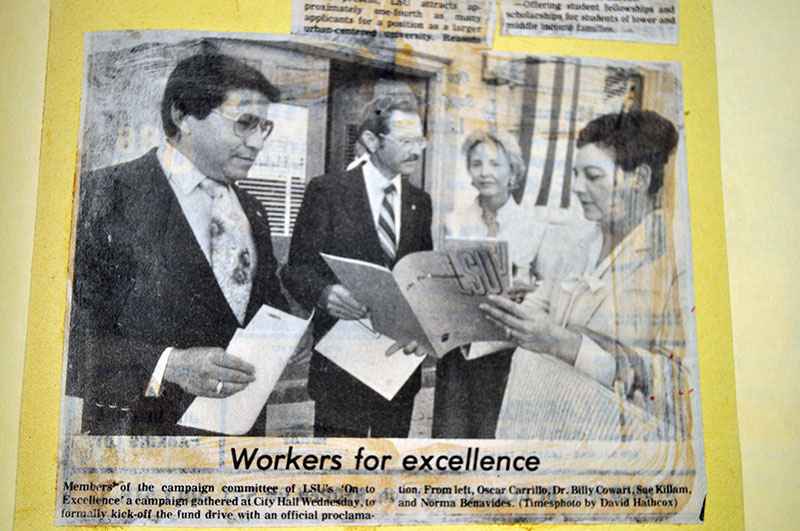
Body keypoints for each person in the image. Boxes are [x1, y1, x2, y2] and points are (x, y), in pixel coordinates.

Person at [68, 54, 288, 435]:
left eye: (264, 127)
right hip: (141, 439)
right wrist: (170, 365)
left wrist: (284, 335)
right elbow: (61, 343)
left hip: (241, 434)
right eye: (244, 124)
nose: (257, 143)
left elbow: (262, 304)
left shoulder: (254, 209)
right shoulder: (102, 194)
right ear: (183, 116)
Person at [481, 110, 692, 444]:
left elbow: (682, 385)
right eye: (575, 174)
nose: (576, 187)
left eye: (592, 175)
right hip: (544, 432)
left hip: (615, 449)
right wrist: (507, 309)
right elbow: (538, 312)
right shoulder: (574, 245)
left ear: (638, 177)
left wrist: (566, 344)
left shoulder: (677, 262)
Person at [281, 94, 433, 437]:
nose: (416, 150)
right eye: (406, 140)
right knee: (336, 479)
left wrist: (424, 332)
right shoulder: (327, 191)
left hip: (398, 367)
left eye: (419, 140)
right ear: (370, 140)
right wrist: (324, 293)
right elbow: (295, 269)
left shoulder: (420, 203)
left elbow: (422, 281)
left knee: (386, 474)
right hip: (341, 370)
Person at [433, 129, 531, 438]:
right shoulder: (454, 221)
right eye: (476, 164)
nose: (485, 172)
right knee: (450, 446)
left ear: (512, 171)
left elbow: (546, 293)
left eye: (495, 164)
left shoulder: (534, 225)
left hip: (507, 356)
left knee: (493, 445)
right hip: (457, 355)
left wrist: (527, 290)